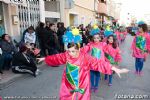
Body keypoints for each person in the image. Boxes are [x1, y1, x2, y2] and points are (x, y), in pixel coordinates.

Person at [37, 43, 129, 100]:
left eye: (73, 51)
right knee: (65, 97)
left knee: (84, 98)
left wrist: (114, 68)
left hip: (82, 81)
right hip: (69, 81)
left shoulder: (85, 57)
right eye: (69, 51)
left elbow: (99, 63)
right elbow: (57, 57)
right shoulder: (67, 55)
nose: (70, 54)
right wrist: (45, 58)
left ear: (78, 50)